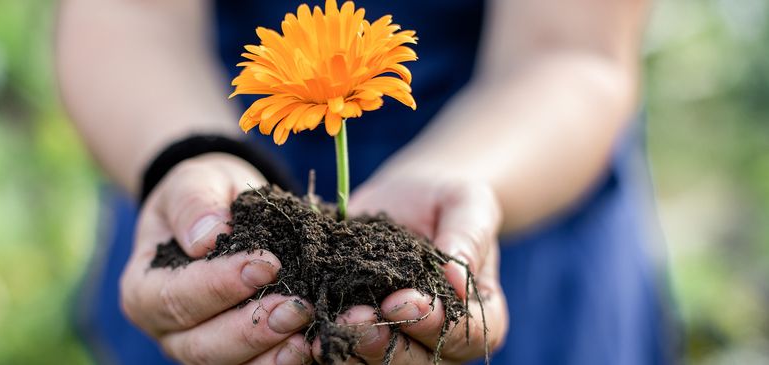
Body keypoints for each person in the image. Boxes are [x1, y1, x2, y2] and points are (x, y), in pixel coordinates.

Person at [57, 0, 674, 364]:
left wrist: (456, 181)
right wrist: (195, 157)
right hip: (194, 132)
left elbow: (572, 52)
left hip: (519, 176)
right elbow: (125, 16)